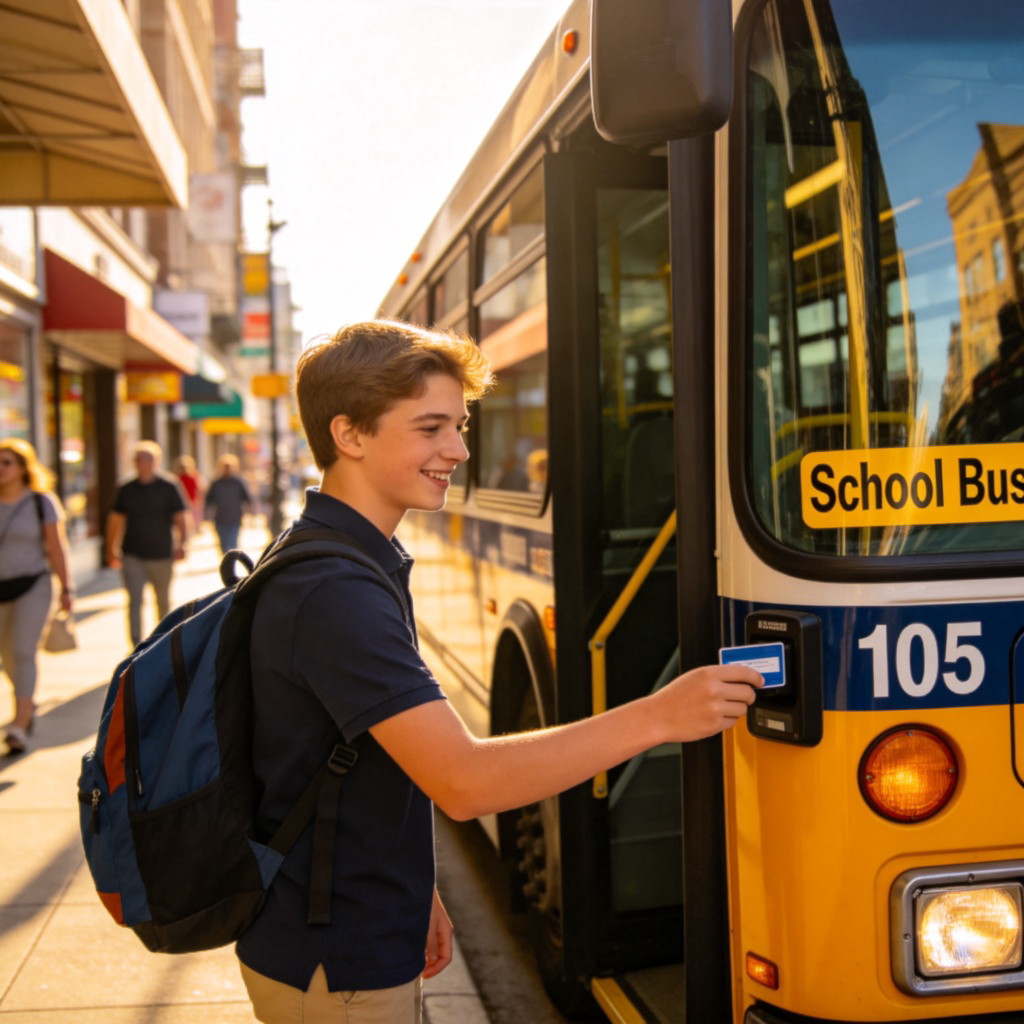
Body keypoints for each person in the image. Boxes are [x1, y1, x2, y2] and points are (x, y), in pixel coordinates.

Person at [236, 320, 762, 1023]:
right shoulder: (336, 590)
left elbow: (356, 760)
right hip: (336, 958)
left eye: (459, 425)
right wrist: (662, 715)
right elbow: (465, 781)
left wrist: (416, 887)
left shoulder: (343, 555)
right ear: (349, 435)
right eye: (431, 428)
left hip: (350, 926)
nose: (458, 450)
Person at [0, 439, 74, 754]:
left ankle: (19, 725)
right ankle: (27, 706)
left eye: (6, 463)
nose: (1, 468)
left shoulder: (41, 502)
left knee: (22, 650)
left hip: (34, 585)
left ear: (22, 468)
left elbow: (56, 547)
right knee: (7, 658)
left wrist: (67, 589)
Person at [105, 441, 189, 648]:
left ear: (155, 461)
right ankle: (136, 645)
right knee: (135, 601)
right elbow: (115, 520)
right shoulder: (126, 488)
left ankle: (162, 642)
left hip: (162, 553)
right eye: (137, 459)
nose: (141, 463)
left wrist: (182, 543)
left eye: (145, 458)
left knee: (162, 600)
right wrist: (111, 549)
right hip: (133, 553)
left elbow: (180, 517)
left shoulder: (169, 486)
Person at [204, 453, 253, 555]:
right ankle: (226, 560)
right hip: (220, 518)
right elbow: (209, 501)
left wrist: (251, 513)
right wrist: (206, 516)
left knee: (232, 543)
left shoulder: (238, 482)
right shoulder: (216, 483)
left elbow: (247, 499)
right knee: (223, 543)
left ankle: (231, 562)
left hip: (235, 518)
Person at [174, 454, 204, 531]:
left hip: (192, 500)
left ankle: (195, 527)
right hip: (182, 500)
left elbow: (198, 489)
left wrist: (197, 499)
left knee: (193, 516)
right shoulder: (177, 478)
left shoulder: (193, 477)